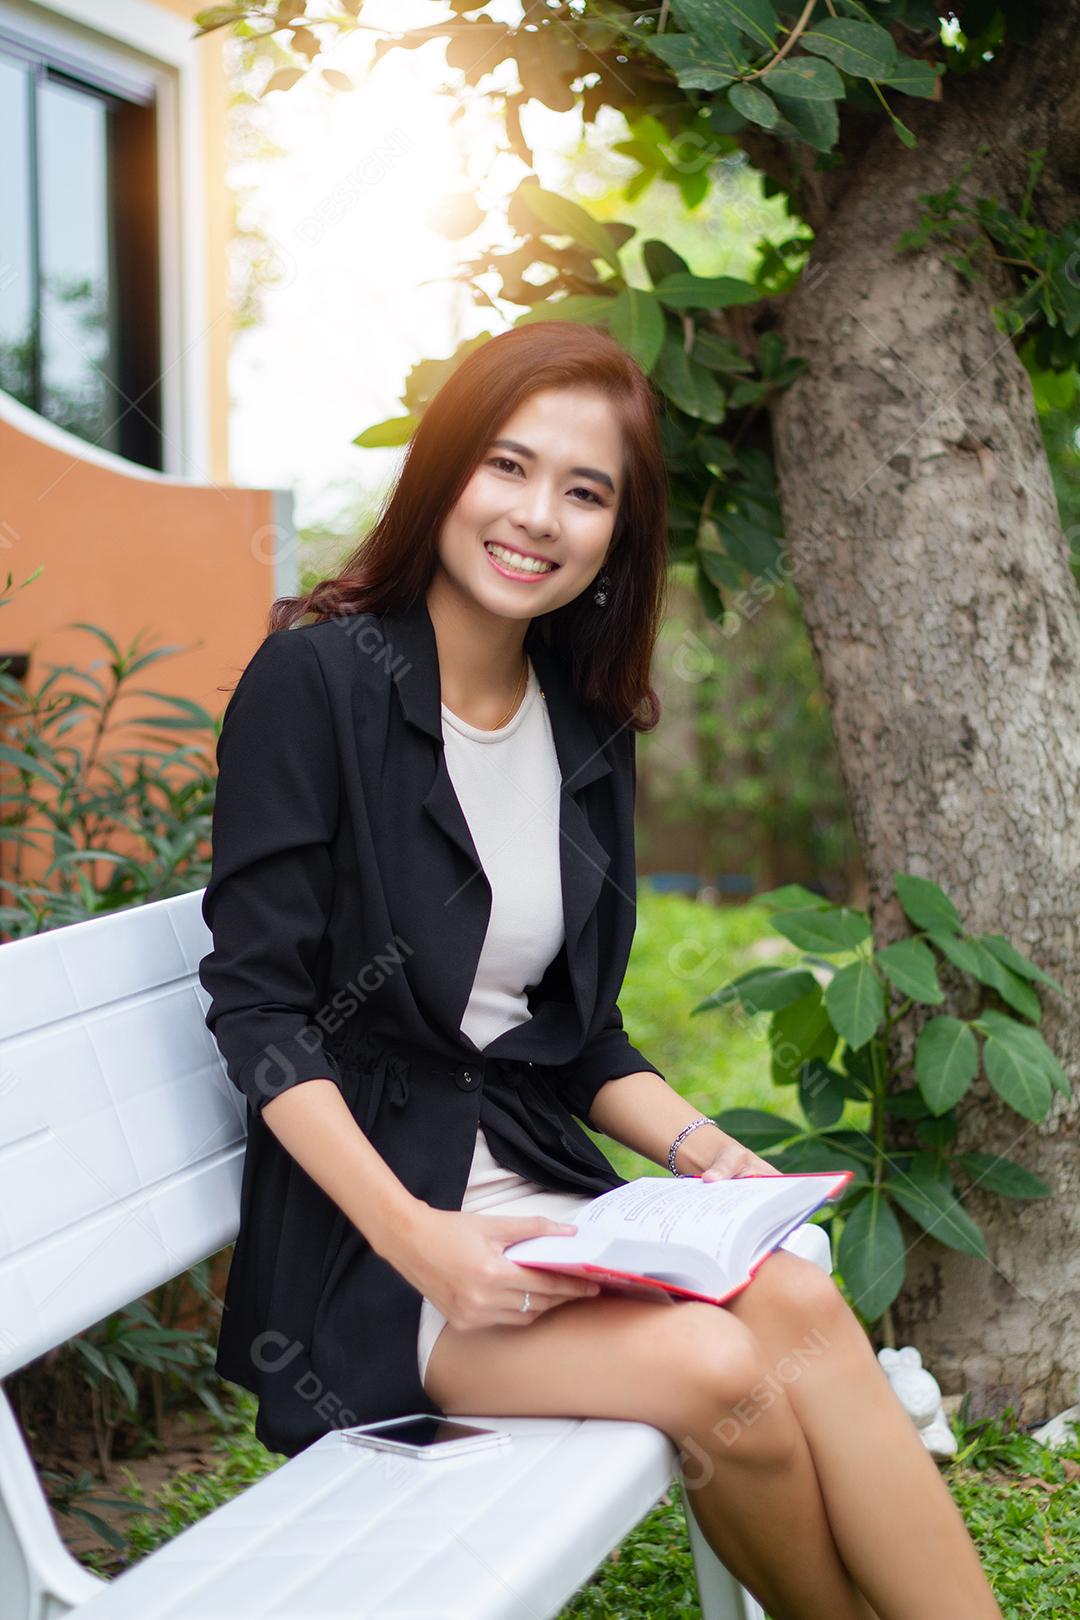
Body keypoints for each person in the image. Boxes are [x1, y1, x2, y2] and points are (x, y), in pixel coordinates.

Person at [199, 321, 1003, 1620]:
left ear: (618, 537)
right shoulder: (319, 681)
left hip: (539, 1194)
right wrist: (430, 1248)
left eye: (586, 492)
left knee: (795, 1300)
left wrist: (706, 1158)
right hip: (378, 1247)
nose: (537, 518)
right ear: (448, 471)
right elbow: (262, 1012)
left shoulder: (581, 725)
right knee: (710, 1363)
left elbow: (576, 1040)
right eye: (508, 468)